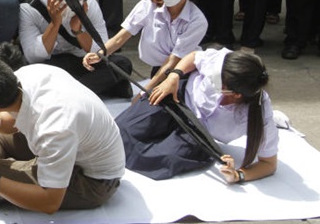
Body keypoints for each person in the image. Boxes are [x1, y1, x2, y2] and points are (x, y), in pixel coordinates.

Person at [0, 53, 124, 217]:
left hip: (93, 181)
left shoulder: (55, 126)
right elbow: (17, 115)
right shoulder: (29, 74)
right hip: (70, 146)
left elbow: (50, 202)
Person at [115, 48, 278, 182]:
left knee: (157, 159)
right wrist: (173, 77)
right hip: (176, 100)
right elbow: (194, 57)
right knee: (121, 132)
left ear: (235, 94)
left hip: (197, 134)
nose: (214, 78)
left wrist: (239, 175)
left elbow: (269, 164)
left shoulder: (259, 114)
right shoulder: (224, 62)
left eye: (217, 82)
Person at [83, 0, 208, 96]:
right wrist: (100, 53)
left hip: (184, 74)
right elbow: (121, 37)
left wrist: (144, 92)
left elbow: (173, 60)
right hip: (159, 72)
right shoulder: (148, 6)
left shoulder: (197, 20)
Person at [19, 0, 133, 98]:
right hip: (51, 64)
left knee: (122, 64)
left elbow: (102, 51)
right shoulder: (29, 9)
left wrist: (78, 30)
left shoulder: (90, 5)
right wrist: (55, 24)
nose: (71, 10)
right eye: (67, 5)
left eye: (76, 6)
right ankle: (96, 89)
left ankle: (67, 94)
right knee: (29, 74)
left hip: (82, 62)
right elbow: (33, 57)